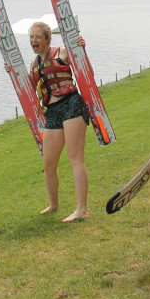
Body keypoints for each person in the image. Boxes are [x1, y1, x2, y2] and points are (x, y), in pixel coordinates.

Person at [11, 22, 90, 221]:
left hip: (72, 104)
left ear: (48, 38)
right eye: (31, 37)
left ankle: (82, 209)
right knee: (49, 162)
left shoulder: (62, 53)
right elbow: (30, 90)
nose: (34, 41)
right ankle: (53, 204)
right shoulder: (34, 64)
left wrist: (82, 51)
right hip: (52, 111)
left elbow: (86, 72)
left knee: (75, 159)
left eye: (38, 37)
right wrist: (12, 72)